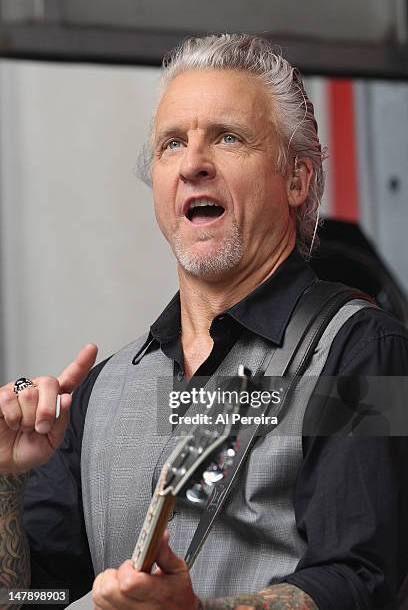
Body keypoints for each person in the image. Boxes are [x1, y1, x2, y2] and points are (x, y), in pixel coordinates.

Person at [1, 33, 408, 610]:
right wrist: (4, 481)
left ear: (298, 178)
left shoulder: (364, 349)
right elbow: (30, 598)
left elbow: (360, 581)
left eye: (228, 137)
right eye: (172, 144)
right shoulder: (103, 391)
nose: (193, 164)